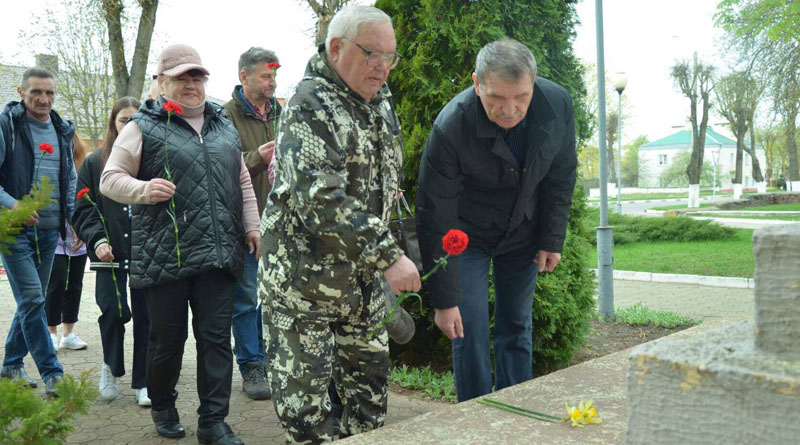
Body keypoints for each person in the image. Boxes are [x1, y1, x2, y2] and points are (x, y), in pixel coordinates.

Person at [259, 5, 419, 443]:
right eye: (372, 54)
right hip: (301, 289)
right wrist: (389, 255)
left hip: (362, 293)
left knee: (369, 413)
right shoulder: (307, 104)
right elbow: (320, 198)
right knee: (307, 420)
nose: (383, 67)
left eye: (391, 57)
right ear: (336, 47)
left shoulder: (380, 103)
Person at [100, 44, 259, 445]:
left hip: (219, 253)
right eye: (182, 77)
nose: (191, 85)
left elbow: (241, 180)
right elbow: (110, 179)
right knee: (167, 342)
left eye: (197, 77)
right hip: (165, 254)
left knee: (216, 340)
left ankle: (213, 422)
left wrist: (252, 225)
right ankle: (163, 405)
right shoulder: (143, 126)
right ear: (162, 81)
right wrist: (143, 188)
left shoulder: (223, 125)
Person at [415, 39, 577, 402]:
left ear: (534, 83)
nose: (510, 110)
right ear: (477, 83)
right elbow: (433, 211)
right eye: (496, 98)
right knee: (467, 327)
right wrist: (443, 299)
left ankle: (516, 407)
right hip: (466, 236)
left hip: (522, 232)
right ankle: (474, 413)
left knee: (517, 325)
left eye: (521, 96)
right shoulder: (452, 125)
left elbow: (561, 174)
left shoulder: (557, 105)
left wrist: (552, 239)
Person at [0, 67, 75, 397]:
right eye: (36, 93)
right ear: (21, 92)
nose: (44, 99)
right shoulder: (8, 126)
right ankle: (51, 372)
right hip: (13, 230)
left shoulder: (61, 128)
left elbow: (69, 179)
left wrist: (74, 221)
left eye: (49, 93)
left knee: (32, 301)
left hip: (49, 232)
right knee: (33, 298)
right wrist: (14, 205)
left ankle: (11, 363)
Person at [72, 97, 152, 406]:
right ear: (113, 125)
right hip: (110, 255)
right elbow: (83, 210)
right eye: (123, 121)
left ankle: (143, 381)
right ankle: (110, 365)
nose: (130, 126)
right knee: (113, 313)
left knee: (148, 317)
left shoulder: (152, 160)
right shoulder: (95, 162)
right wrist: (98, 240)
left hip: (147, 254)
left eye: (136, 120)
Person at [222, 46, 281, 401]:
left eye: (274, 75)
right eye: (265, 75)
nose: (272, 81)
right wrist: (257, 157)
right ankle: (250, 364)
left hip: (280, 223)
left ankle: (270, 359)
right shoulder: (225, 116)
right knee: (246, 298)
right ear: (244, 77)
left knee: (272, 298)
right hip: (244, 223)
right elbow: (222, 167)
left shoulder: (282, 112)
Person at [45, 133, 89, 353]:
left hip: (79, 236)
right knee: (56, 283)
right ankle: (50, 332)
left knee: (75, 284)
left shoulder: (83, 167)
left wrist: (83, 229)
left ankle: (68, 333)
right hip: (54, 235)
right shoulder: (49, 169)